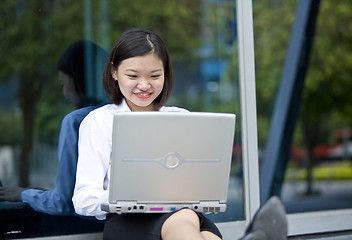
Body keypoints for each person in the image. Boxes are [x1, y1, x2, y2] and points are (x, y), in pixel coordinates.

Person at [72, 28, 223, 240]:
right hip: (128, 220)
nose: (144, 85)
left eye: (154, 76)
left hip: (183, 214)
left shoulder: (181, 118)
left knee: (190, 219)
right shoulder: (99, 122)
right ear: (114, 72)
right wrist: (129, 198)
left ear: (165, 73)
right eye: (133, 76)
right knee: (191, 225)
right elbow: (82, 199)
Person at [0, 40, 108, 215]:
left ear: (78, 79)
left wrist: (23, 194)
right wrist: (42, 193)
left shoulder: (76, 121)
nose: (65, 94)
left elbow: (63, 203)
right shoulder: (125, 114)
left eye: (63, 84)